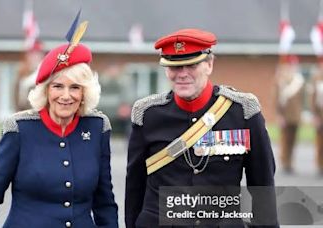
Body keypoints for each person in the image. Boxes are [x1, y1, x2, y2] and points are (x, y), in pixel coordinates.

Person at [125, 28, 277, 227]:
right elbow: (134, 187)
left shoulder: (242, 112)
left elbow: (263, 185)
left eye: (191, 65)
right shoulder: (147, 114)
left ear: (209, 64)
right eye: (174, 66)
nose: (182, 74)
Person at [0, 43, 118, 227]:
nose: (66, 96)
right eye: (58, 86)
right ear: (46, 90)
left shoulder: (98, 127)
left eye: (74, 87)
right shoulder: (19, 128)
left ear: (84, 93)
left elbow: (104, 202)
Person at [273, 54, 304, 173]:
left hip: (295, 116)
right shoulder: (281, 80)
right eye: (291, 65)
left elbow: (301, 100)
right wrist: (279, 115)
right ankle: (285, 162)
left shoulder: (299, 80)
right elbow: (277, 99)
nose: (292, 67)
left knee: (293, 140)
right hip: (285, 116)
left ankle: (290, 161)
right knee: (285, 140)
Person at [14, 40, 44, 111]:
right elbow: (16, 97)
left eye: (37, 54)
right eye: (32, 54)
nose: (34, 57)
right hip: (24, 112)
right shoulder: (21, 73)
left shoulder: (45, 73)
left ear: (41, 55)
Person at [310, 56, 323, 176]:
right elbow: (313, 99)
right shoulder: (316, 79)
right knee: (320, 143)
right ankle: (320, 165)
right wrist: (315, 116)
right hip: (320, 115)